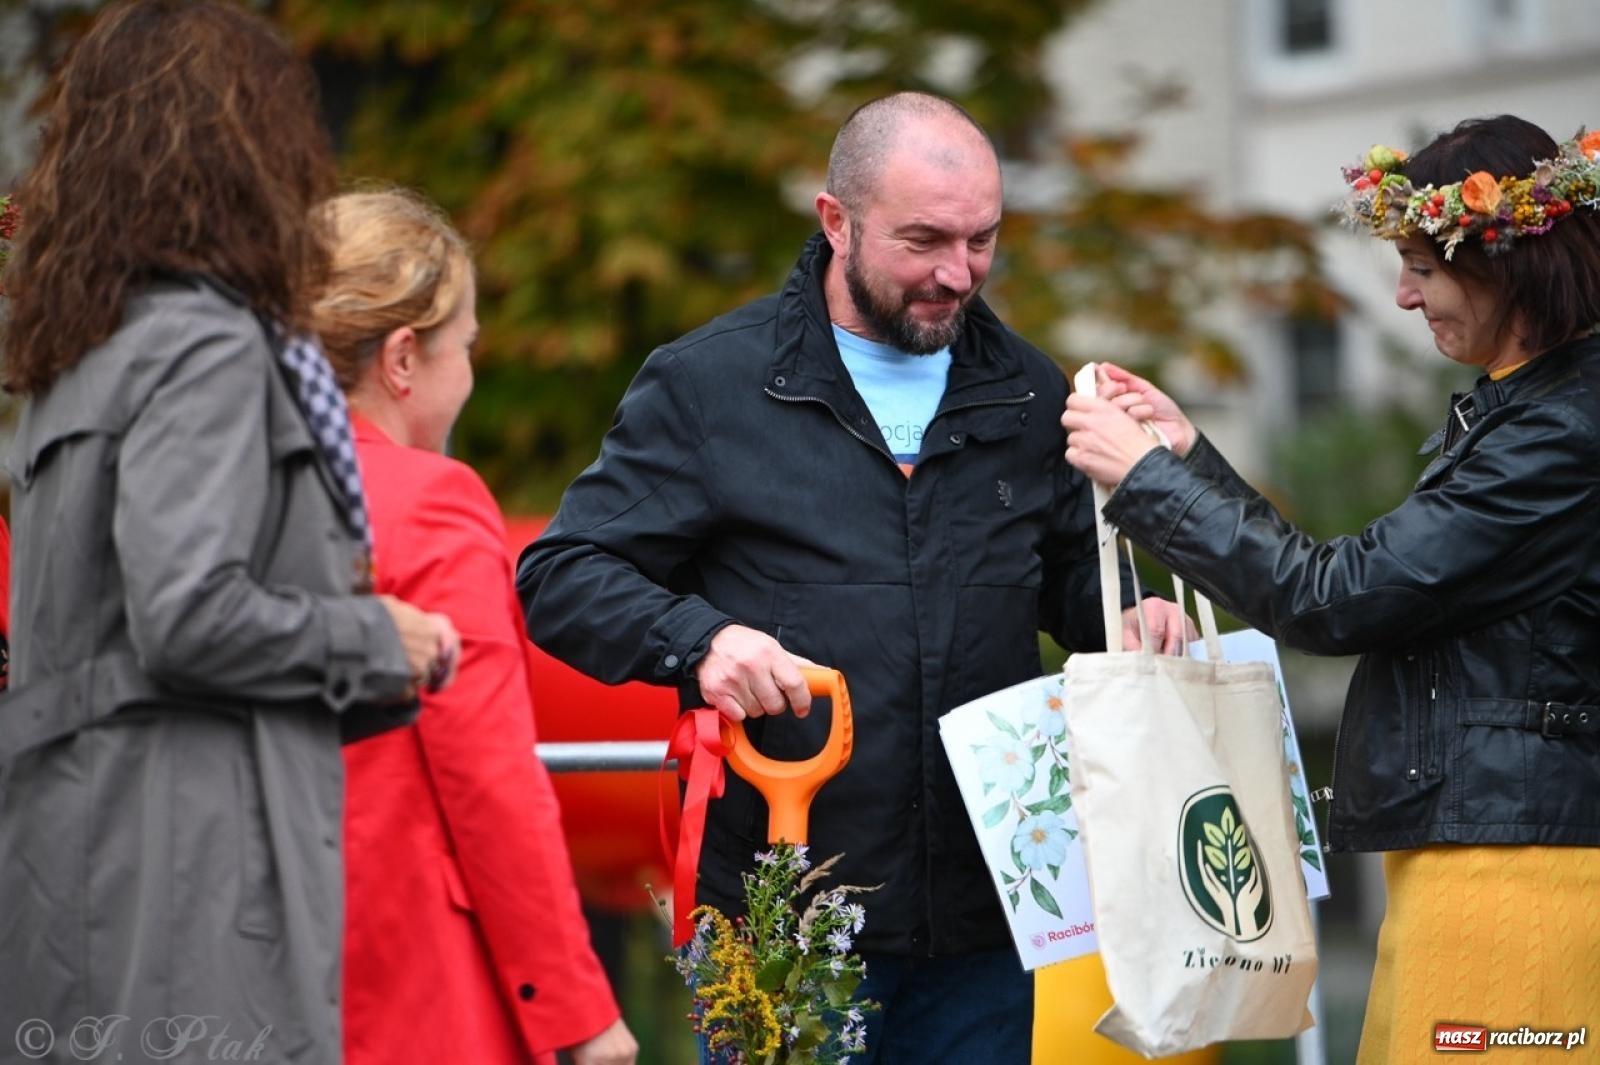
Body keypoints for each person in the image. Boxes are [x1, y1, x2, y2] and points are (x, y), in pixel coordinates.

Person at [517, 91, 1188, 1063]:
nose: (956, 274)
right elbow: (561, 574)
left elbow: (1064, 584)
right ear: (835, 221)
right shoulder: (709, 386)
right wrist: (700, 641)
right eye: (923, 241)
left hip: (985, 926)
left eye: (982, 240)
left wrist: (1130, 620)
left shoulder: (1032, 393)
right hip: (780, 928)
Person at [1063, 114, 1600, 1063]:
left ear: (1506, 265)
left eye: (1423, 270)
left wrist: (1149, 482)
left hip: (1519, 880)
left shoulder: (1560, 434)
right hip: (1483, 860)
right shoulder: (1535, 412)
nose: (1400, 296)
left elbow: (1335, 599)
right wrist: (1191, 460)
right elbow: (1355, 581)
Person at [0, 4, 460, 1063]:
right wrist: (372, 640)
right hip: (190, 895)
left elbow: (109, 657)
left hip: (81, 871)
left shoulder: (82, 354)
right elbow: (187, 616)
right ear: (249, 144)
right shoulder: (206, 346)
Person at [312, 187, 639, 1065]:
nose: (469, 375)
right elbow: (489, 775)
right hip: (409, 969)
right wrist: (578, 1010)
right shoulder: (431, 501)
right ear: (404, 357)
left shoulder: (211, 497)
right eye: (467, 347)